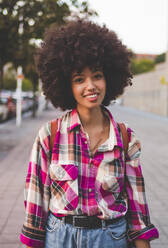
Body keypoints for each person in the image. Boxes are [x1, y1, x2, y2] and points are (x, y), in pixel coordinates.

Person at [20, 19, 159, 248]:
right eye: (79, 79)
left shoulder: (126, 139)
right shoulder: (50, 135)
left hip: (110, 238)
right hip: (59, 237)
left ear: (109, 78)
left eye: (97, 75)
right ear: (66, 85)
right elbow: (35, 204)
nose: (90, 86)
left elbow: (138, 209)